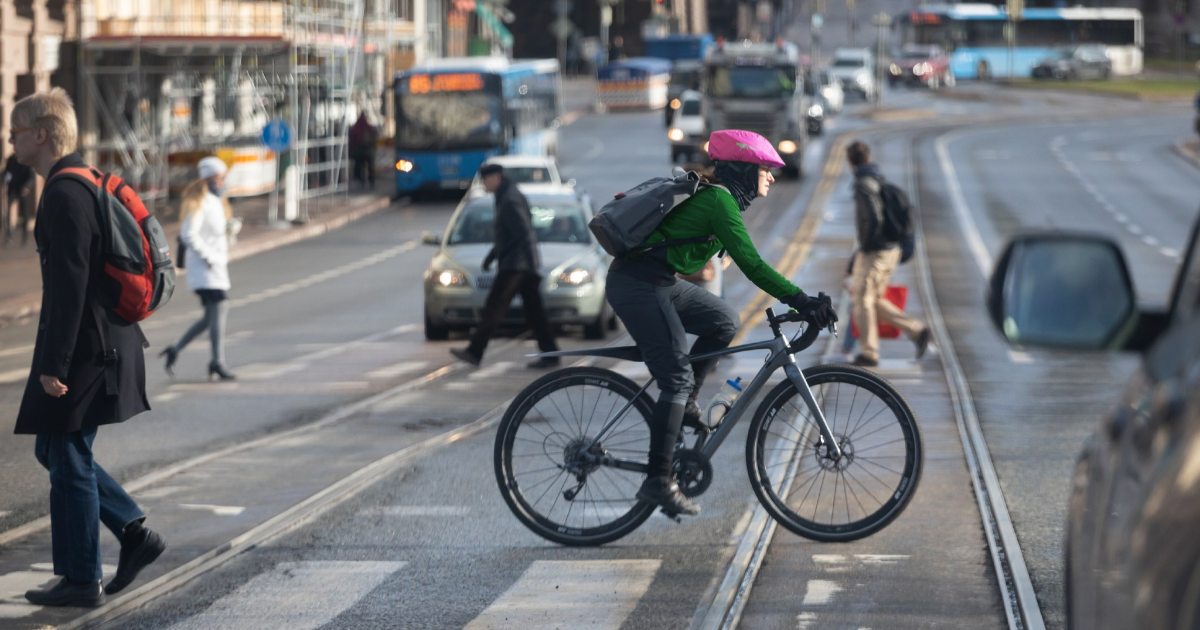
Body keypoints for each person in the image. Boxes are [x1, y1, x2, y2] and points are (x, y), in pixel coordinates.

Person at [607, 129, 837, 517]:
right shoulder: (719, 201)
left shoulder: (721, 200)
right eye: (766, 168)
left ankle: (689, 401)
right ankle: (658, 482)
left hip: (658, 282)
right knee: (675, 379)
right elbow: (753, 264)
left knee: (724, 319)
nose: (772, 176)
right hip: (639, 285)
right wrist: (799, 299)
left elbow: (708, 257)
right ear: (745, 169)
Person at [10, 88, 166, 607]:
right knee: (55, 448)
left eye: (15, 130)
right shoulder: (80, 182)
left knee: (67, 452)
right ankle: (131, 532)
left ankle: (82, 578)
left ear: (41, 134)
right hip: (102, 340)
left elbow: (69, 284)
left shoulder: (63, 192)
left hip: (90, 348)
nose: (10, 139)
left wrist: (53, 366)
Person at [450, 164, 560, 369]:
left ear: (496, 177)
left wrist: (531, 265)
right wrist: (492, 256)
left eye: (486, 180)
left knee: (493, 308)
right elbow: (508, 235)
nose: (484, 185)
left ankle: (475, 350)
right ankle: (551, 352)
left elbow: (524, 233)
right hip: (518, 263)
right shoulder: (506, 195)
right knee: (535, 312)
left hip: (516, 266)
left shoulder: (509, 199)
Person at [846, 140, 930, 368]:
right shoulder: (876, 178)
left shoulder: (863, 184)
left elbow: (873, 218)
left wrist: (865, 245)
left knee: (862, 300)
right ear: (868, 156)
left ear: (850, 161)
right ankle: (918, 331)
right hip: (890, 250)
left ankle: (869, 353)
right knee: (874, 301)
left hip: (876, 252)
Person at [160, 157, 237, 381]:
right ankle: (217, 362)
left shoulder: (216, 201)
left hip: (215, 267)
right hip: (204, 269)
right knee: (221, 306)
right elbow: (188, 234)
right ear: (210, 178)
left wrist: (230, 231)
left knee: (209, 318)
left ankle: (175, 350)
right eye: (220, 177)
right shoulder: (200, 202)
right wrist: (210, 256)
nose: (223, 182)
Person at [4, 152, 34, 245]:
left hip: (22, 190)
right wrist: (5, 182)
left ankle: (25, 237)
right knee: (8, 213)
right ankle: (8, 235)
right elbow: (7, 172)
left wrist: (26, 187)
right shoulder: (11, 159)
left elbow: (31, 177)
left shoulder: (26, 160)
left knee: (24, 214)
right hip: (12, 189)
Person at [349, 113, 378, 190]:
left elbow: (352, 140)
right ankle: (371, 180)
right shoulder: (368, 127)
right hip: (368, 151)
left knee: (358, 166)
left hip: (358, 152)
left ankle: (360, 180)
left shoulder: (356, 127)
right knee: (370, 167)